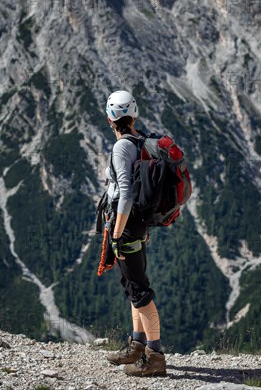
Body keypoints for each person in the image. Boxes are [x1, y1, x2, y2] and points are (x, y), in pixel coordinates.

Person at [102, 90, 166, 376]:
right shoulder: (142, 140)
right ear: (134, 114)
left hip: (126, 226)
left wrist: (116, 234)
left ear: (110, 119)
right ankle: (137, 346)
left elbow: (126, 194)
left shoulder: (121, 147)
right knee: (132, 286)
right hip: (138, 223)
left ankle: (155, 357)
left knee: (140, 291)